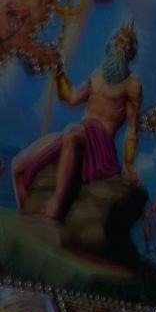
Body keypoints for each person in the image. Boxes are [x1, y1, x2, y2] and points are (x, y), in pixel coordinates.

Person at [10, 20, 142, 221]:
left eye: (127, 46)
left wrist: (129, 165)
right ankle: (25, 215)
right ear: (112, 45)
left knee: (71, 131)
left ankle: (57, 204)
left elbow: (133, 128)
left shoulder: (133, 85)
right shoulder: (97, 75)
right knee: (17, 166)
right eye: (120, 43)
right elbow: (72, 98)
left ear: (131, 53)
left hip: (101, 144)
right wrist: (59, 73)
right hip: (80, 132)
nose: (122, 48)